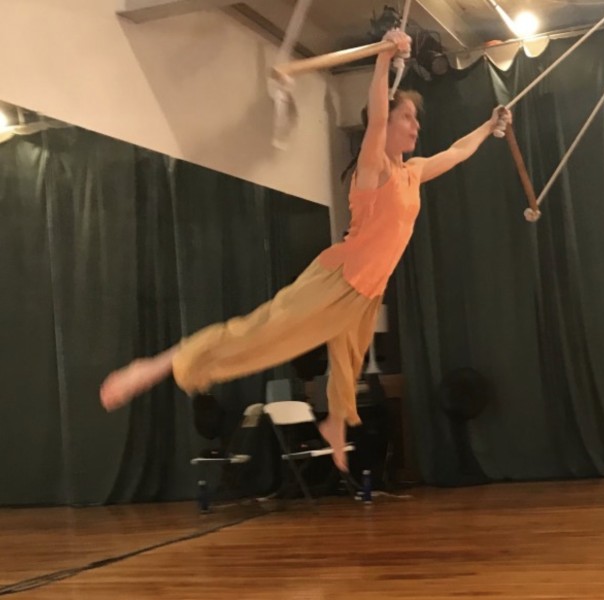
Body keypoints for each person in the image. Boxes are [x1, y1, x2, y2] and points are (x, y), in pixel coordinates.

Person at [100, 30, 512, 472]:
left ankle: (336, 422)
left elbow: (454, 152)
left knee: (348, 359)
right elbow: (374, 119)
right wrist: (382, 60)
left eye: (416, 119)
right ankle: (160, 364)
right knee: (261, 333)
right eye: (407, 116)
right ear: (387, 123)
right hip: (337, 278)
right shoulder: (373, 170)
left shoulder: (412, 172)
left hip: (367, 289)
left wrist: (489, 127)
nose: (416, 125)